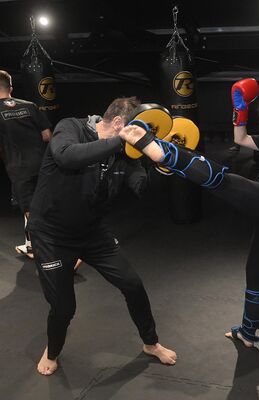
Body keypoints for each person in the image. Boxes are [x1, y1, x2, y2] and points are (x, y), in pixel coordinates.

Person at [118, 78, 259, 348]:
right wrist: (240, 109)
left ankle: (157, 150)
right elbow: (241, 138)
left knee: (222, 180)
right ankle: (248, 332)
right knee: (255, 272)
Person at [27, 97, 177, 375]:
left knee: (132, 284)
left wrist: (164, 165)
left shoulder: (125, 153)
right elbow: (66, 156)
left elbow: (143, 189)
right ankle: (53, 349)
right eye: (136, 131)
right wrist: (123, 141)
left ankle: (151, 343)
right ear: (120, 123)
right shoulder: (71, 127)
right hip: (52, 234)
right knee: (63, 307)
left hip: (92, 231)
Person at [0, 70, 52, 259]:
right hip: (43, 165)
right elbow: (47, 135)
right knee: (41, 206)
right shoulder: (30, 106)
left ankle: (52, 255)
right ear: (11, 88)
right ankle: (30, 246)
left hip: (19, 168)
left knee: (31, 212)